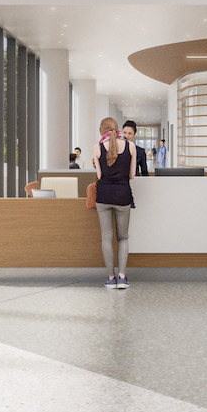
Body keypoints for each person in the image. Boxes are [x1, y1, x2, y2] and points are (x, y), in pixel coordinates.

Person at [94, 117, 134, 290]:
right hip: (123, 196)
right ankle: (122, 277)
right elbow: (132, 175)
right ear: (118, 129)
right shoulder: (130, 146)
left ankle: (110, 278)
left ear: (102, 131)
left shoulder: (97, 148)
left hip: (103, 196)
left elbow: (100, 176)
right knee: (123, 237)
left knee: (106, 238)